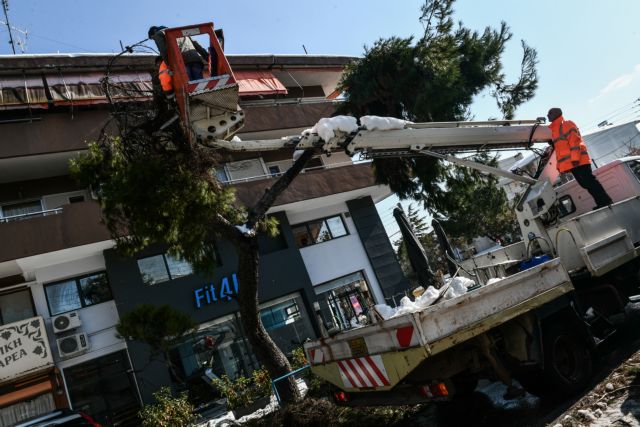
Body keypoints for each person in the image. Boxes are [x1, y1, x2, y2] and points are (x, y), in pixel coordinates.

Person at [547, 107, 613, 209]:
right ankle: (602, 202)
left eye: (550, 113)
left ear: (557, 113)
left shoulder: (567, 124)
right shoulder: (555, 130)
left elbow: (575, 142)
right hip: (574, 163)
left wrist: (575, 159)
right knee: (585, 184)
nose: (548, 115)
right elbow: (560, 151)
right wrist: (561, 166)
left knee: (589, 182)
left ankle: (605, 201)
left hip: (578, 161)